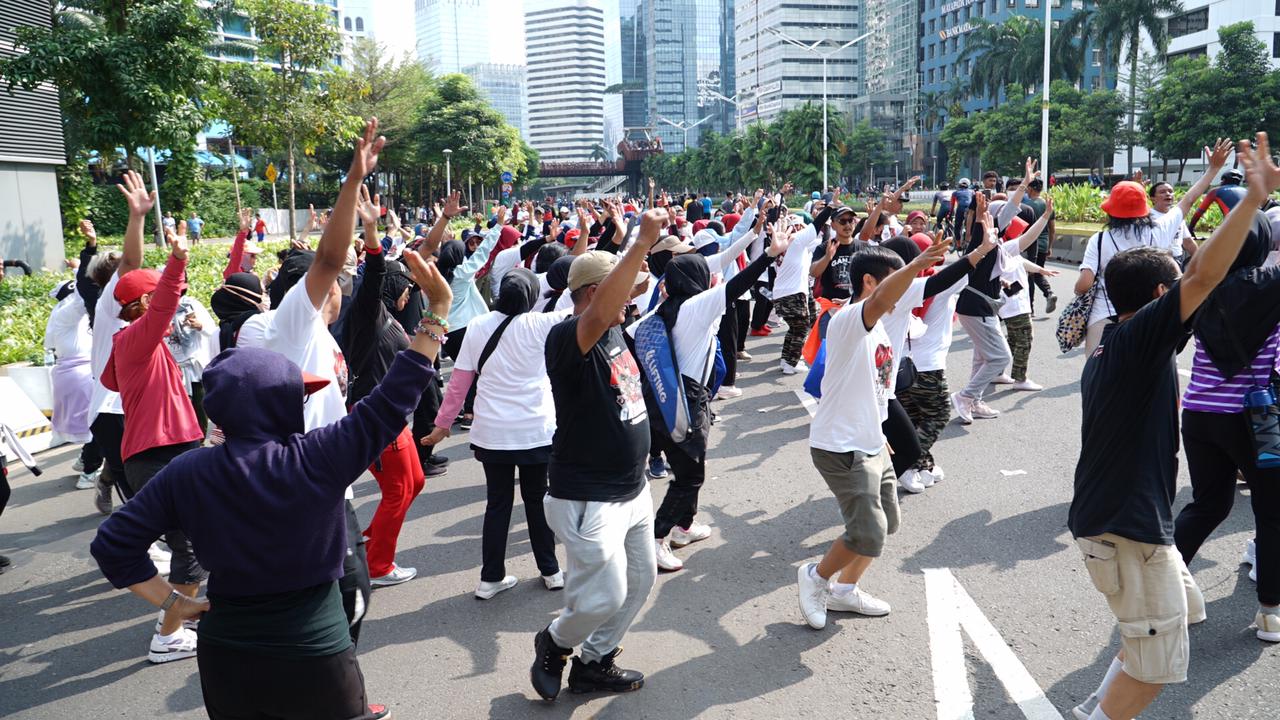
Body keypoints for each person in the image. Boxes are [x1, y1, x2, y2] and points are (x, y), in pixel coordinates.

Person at [89, 249, 451, 720]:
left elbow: (113, 545)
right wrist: (436, 311)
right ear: (281, 405)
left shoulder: (188, 471)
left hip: (227, 653)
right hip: (314, 649)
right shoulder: (318, 456)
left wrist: (175, 604)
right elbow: (393, 397)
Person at [1067, 134, 1277, 720]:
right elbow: (1204, 276)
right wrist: (1252, 201)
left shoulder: (1112, 342)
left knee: (1181, 613)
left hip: (1124, 522)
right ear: (1163, 296)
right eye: (1177, 283)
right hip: (1126, 531)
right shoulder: (1139, 340)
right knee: (1158, 664)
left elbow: (1193, 266)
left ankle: (1095, 705)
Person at [237, 118, 385, 649]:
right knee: (348, 598)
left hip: (318, 479)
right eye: (337, 283)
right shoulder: (290, 326)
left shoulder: (294, 328)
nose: (341, 286)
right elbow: (327, 258)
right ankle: (329, 679)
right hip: (308, 485)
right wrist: (352, 180)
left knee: (338, 598)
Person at [530, 209, 666, 701]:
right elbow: (602, 307)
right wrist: (640, 241)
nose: (630, 299)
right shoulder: (568, 337)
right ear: (593, 293)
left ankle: (594, 662)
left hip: (633, 489)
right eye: (621, 292)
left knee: (640, 581)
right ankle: (555, 641)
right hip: (589, 496)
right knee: (604, 595)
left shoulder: (613, 329)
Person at [797, 234, 950, 630]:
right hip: (840, 447)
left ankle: (845, 590)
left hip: (871, 443)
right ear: (869, 282)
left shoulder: (880, 329)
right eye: (896, 279)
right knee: (868, 533)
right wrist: (916, 266)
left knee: (887, 524)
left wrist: (881, 433)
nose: (904, 290)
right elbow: (882, 299)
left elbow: (879, 391)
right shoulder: (849, 320)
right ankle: (815, 577)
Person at [636, 212, 780, 572]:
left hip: (659, 399)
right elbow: (737, 284)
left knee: (692, 464)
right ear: (696, 279)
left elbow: (630, 338)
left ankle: (684, 527)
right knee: (690, 476)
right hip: (686, 401)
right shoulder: (696, 307)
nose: (711, 275)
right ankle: (657, 537)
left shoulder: (661, 309)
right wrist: (768, 255)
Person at [101, 213, 207, 663]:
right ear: (144, 303)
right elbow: (163, 307)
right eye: (165, 300)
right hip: (161, 455)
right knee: (189, 546)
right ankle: (169, 634)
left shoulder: (135, 344)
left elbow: (109, 380)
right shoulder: (135, 339)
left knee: (194, 542)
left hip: (160, 453)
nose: (177, 308)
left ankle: (178, 622)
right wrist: (177, 261)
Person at [424, 269, 568, 599]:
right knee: (537, 501)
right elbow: (587, 306)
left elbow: (459, 383)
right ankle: (550, 570)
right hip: (535, 430)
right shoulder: (543, 324)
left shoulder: (477, 326)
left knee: (498, 504)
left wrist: (442, 425)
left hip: (492, 433)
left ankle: (490, 579)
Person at [1172, 208, 1280, 646]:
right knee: (1272, 513)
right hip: (1256, 418)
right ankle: (1271, 612)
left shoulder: (1200, 286)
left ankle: (1164, 589)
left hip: (1199, 413)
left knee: (1208, 504)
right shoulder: (1272, 285)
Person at [1075, 140, 1233, 354]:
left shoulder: (1099, 240)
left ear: (1111, 211)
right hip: (1151, 317)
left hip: (1105, 316)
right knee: (1155, 369)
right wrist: (1213, 169)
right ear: (1144, 208)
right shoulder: (1160, 229)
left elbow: (1084, 285)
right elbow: (1188, 200)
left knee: (1098, 370)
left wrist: (1080, 289)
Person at [344, 185, 427, 588]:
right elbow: (377, 272)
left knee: (416, 482)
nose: (409, 293)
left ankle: (370, 541)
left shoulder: (389, 315)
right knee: (397, 490)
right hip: (374, 416)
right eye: (406, 287)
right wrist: (371, 231)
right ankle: (378, 566)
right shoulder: (368, 314)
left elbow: (410, 263)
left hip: (395, 414)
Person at [44, 278, 96, 487]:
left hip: (76, 375)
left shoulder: (69, 317)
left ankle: (85, 459)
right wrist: (83, 272)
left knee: (96, 424)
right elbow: (82, 299)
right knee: (100, 424)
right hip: (81, 376)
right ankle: (89, 471)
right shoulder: (67, 313)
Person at [1021, 178, 1058, 314]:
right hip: (1043, 244)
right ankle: (1048, 293)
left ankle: (1029, 308)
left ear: (1030, 189)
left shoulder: (1025, 205)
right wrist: (1049, 246)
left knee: (1030, 275)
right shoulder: (1047, 205)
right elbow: (1052, 229)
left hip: (1029, 244)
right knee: (1037, 272)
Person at [1189, 167, 1251, 236]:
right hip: (1255, 221)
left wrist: (1190, 229)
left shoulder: (1215, 191)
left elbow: (1199, 212)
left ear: (1223, 180)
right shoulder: (1247, 191)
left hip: (1234, 224)